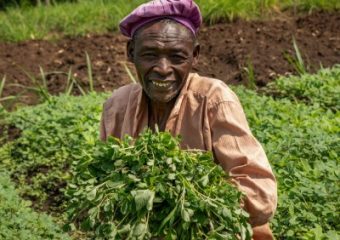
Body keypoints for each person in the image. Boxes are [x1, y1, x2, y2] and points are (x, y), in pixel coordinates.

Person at [100, 0, 277, 239]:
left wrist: (188, 207)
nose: (163, 69)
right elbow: (104, 177)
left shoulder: (213, 99)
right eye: (150, 54)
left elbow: (257, 188)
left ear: (194, 55)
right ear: (131, 52)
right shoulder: (117, 105)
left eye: (177, 57)